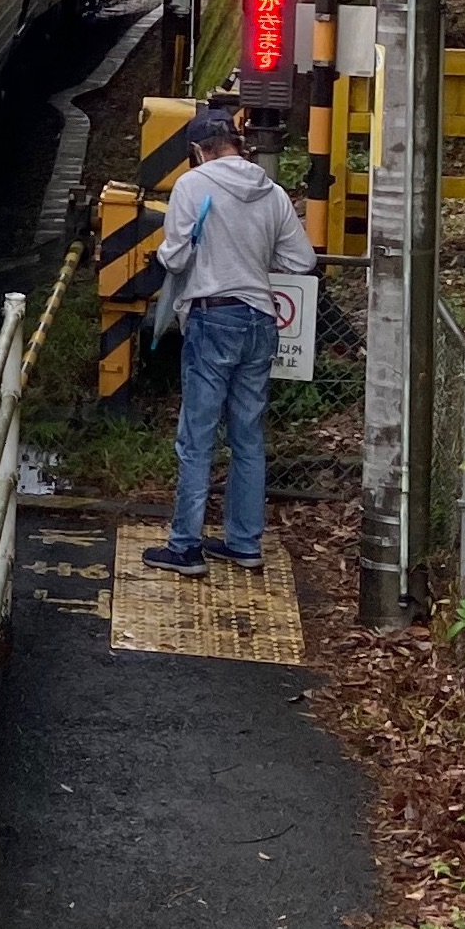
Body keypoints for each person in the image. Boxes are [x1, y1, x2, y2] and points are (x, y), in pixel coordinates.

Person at [143, 106, 316, 579]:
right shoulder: (273, 193)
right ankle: (244, 545)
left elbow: (175, 258)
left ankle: (185, 547)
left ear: (199, 150)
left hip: (212, 316)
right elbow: (300, 261)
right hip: (261, 320)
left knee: (197, 438)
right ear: (238, 143)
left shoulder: (192, 186)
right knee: (248, 437)